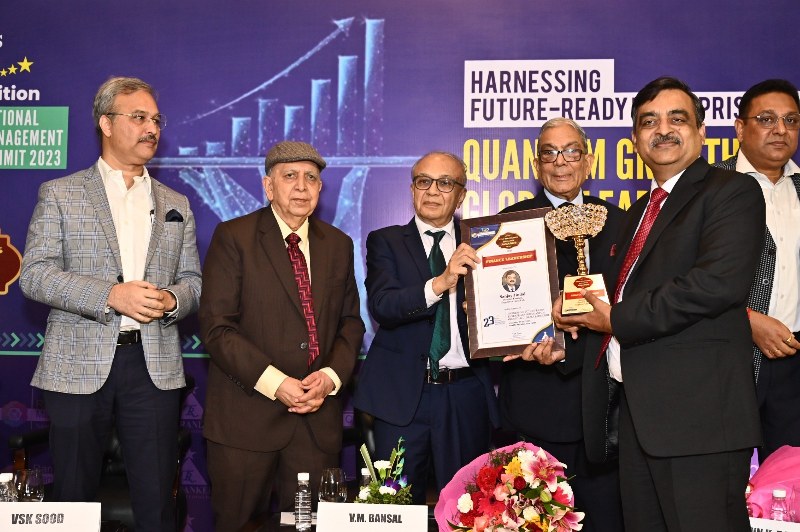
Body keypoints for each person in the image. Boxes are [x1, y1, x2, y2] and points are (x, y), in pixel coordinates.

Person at [554, 77, 765, 531]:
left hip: (699, 420)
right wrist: (569, 318)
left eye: (677, 119)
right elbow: (616, 296)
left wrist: (614, 318)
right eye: (649, 122)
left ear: (702, 132)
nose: (663, 130)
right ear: (635, 140)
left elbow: (714, 285)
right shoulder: (636, 213)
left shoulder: (731, 191)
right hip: (639, 417)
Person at [19, 76, 202, 531]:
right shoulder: (60, 193)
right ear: (105, 123)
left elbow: (193, 283)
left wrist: (171, 299)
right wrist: (110, 295)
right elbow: (35, 274)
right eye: (138, 117)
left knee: (156, 504)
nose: (151, 128)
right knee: (72, 500)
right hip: (76, 364)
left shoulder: (176, 203)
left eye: (156, 119)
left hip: (153, 366)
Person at [199, 141, 364, 530]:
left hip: (315, 420)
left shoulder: (338, 244)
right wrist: (276, 383)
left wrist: (331, 377)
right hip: (245, 421)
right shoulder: (234, 236)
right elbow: (217, 327)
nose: (302, 186)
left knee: (308, 527)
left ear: (321, 188)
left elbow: (350, 323)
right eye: (290, 176)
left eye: (311, 178)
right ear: (268, 186)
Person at [499, 117, 624, 531]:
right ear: (537, 165)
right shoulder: (506, 225)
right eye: (549, 153)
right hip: (535, 403)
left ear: (588, 161)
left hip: (607, 409)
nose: (560, 162)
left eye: (571, 151)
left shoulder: (621, 223)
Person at [353, 151, 499, 504]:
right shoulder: (386, 240)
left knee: (468, 508)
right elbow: (384, 305)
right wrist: (441, 282)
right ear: (412, 189)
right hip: (403, 396)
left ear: (461, 195)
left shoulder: (482, 242)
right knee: (393, 509)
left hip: (465, 394)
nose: (433, 190)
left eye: (445, 183)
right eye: (424, 181)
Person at [715, 79, 800, 461]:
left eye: (791, 120)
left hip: (794, 363)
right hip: (726, 357)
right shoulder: (709, 186)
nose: (780, 129)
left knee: (789, 480)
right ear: (740, 128)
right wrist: (746, 320)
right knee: (721, 478)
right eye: (767, 119)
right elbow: (682, 279)